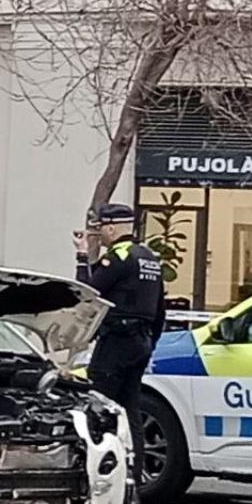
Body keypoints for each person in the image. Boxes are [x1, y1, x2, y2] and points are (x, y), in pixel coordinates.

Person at [73, 203, 166, 478]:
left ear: (112, 228)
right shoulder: (150, 257)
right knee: (130, 408)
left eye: (102, 228)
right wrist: (150, 343)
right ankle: (134, 474)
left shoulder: (118, 256)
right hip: (141, 341)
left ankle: (97, 472)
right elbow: (160, 310)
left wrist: (82, 256)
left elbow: (88, 294)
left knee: (99, 405)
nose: (100, 233)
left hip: (116, 341)